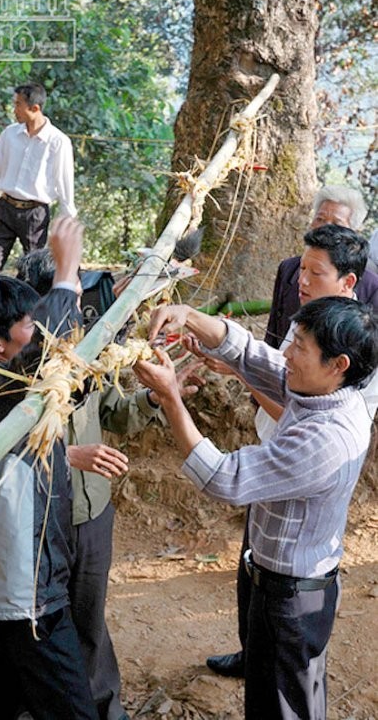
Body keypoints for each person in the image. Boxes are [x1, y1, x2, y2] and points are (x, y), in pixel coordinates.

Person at [134, 297, 378, 720]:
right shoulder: (327, 392)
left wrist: (171, 398)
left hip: (290, 601)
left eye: (299, 346)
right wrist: (188, 314)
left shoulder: (327, 438)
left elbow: (225, 478)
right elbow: (250, 354)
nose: (287, 353)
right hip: (289, 590)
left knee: (281, 708)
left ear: (337, 364)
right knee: (288, 700)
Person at [16, 248, 203, 720]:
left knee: (89, 620)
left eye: (77, 293)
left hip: (93, 515)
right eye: (70, 294)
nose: (80, 305)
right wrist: (68, 456)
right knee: (36, 627)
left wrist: (160, 397)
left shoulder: (85, 352)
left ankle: (105, 708)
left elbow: (114, 413)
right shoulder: (11, 371)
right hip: (40, 521)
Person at [207, 194, 378, 680]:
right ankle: (254, 653)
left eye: (316, 271)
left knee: (282, 583)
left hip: (298, 464)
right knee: (255, 564)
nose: (302, 280)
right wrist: (237, 357)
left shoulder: (357, 345)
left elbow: (301, 411)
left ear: (349, 275)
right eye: (316, 223)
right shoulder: (298, 292)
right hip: (274, 454)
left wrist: (241, 377)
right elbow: (276, 359)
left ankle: (271, 661)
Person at [0, 217, 99, 720]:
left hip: (11, 579)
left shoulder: (10, 390)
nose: (37, 330)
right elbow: (41, 359)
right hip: (23, 587)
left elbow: (62, 379)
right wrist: (64, 275)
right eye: (27, 322)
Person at [0, 83, 76, 274]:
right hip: (6, 208)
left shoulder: (58, 142)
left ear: (35, 108)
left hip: (34, 214)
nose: (14, 109)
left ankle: (28, 303)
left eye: (18, 104)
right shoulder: (10, 134)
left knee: (32, 272)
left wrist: (66, 224)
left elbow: (65, 185)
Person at [265, 184, 378, 349]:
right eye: (320, 219)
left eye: (336, 223)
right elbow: (273, 332)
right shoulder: (289, 268)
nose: (325, 227)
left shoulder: (372, 287)